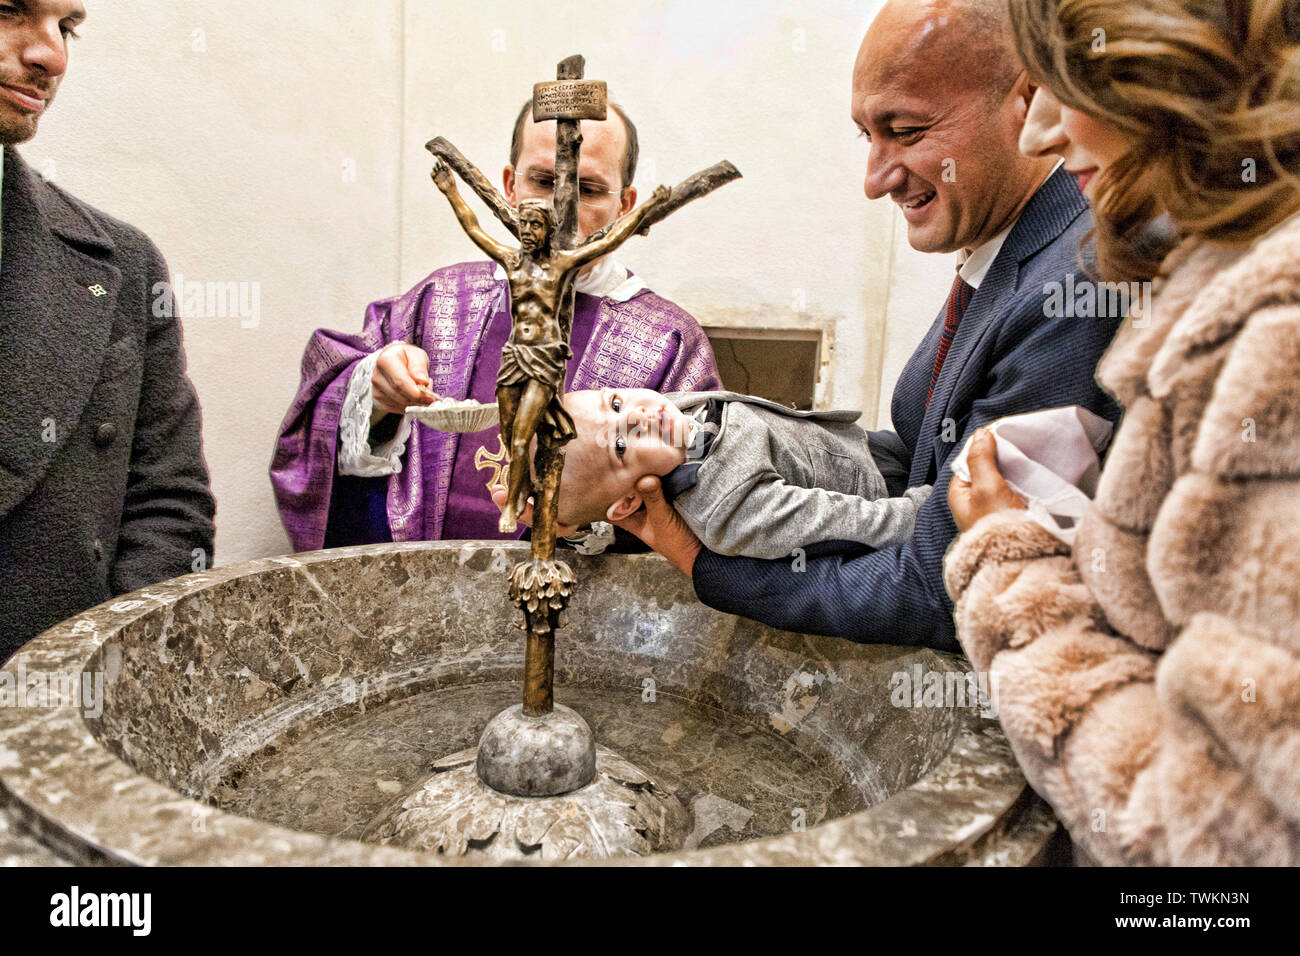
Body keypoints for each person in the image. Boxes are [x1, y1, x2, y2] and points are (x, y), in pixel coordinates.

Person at [615, 0, 1122, 651]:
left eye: (906, 131)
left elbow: (946, 583)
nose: (874, 180)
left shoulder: (1075, 284)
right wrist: (726, 449)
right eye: (867, 135)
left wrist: (705, 566)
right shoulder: (1005, 246)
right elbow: (917, 465)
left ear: (1024, 99)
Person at [944, 0, 1300, 865]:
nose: (1040, 135)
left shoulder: (1275, 337)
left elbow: (1214, 852)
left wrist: (1010, 573)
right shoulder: (1231, 300)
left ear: (1171, 64)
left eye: (1068, 83)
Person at [271, 99, 722, 552]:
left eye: (588, 188)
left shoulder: (669, 341)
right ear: (509, 185)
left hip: (582, 606)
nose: (560, 207)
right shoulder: (439, 299)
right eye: (543, 181)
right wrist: (375, 392)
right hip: (420, 598)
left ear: (626, 206)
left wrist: (591, 519)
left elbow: (701, 498)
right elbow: (324, 402)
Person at [0, 1, 215, 661]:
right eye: (10, 10)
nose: (52, 56)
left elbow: (170, 505)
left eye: (67, 27)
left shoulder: (121, 265)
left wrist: (95, 678)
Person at [556, 387, 930, 559]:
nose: (637, 416)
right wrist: (932, 514)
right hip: (891, 491)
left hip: (863, 443)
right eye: (620, 446)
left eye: (616, 403)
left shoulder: (678, 414)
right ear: (628, 502)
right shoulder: (727, 510)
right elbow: (852, 525)